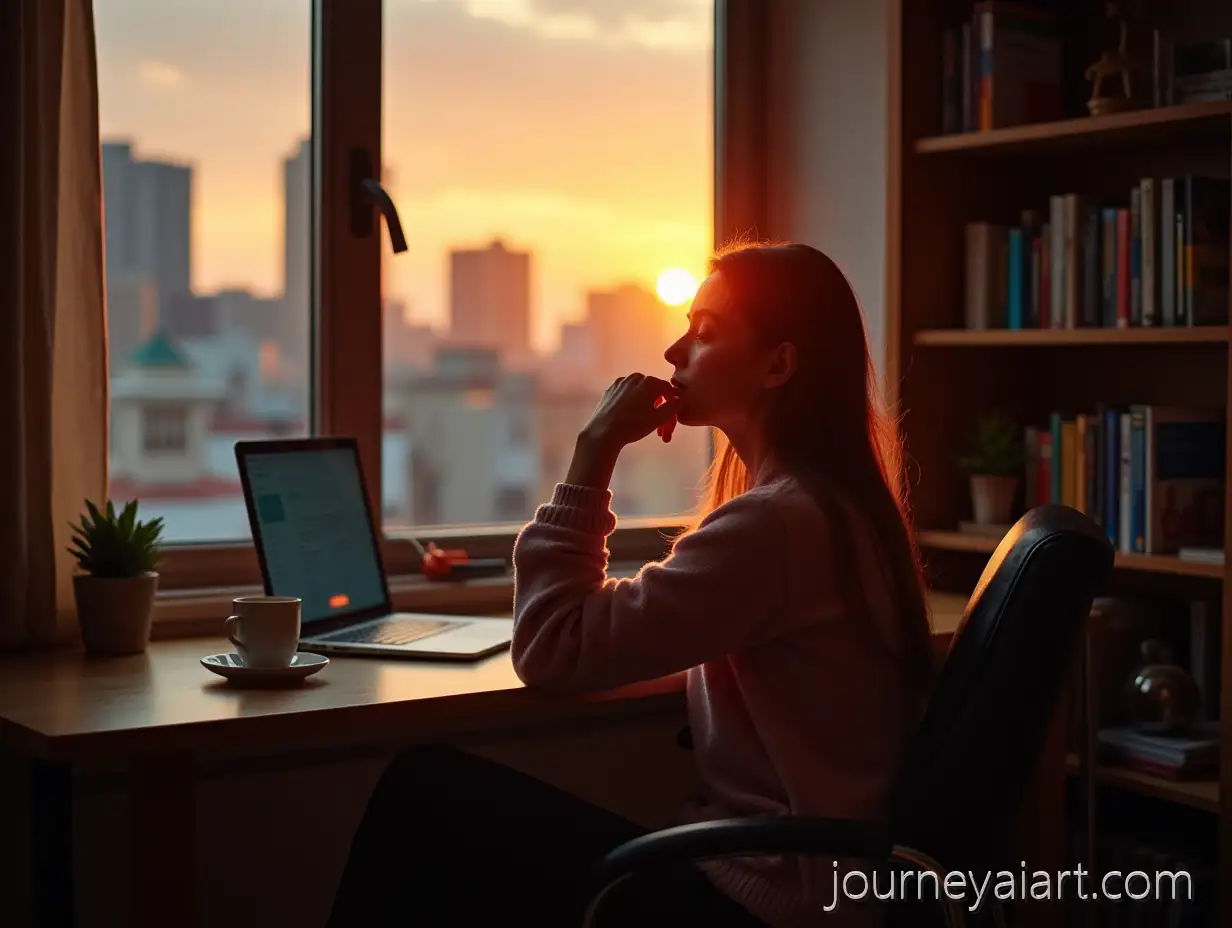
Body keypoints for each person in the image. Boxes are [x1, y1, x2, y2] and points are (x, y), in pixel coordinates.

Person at [325, 241, 935, 928]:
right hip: (817, 886)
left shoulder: (778, 524)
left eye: (704, 334)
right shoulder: (830, 508)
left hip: (768, 900)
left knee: (424, 791)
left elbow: (552, 648)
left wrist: (594, 450)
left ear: (778, 364)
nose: (675, 353)